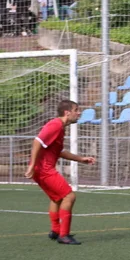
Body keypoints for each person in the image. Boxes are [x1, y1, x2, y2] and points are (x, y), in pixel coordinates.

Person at [24, 100, 96, 245]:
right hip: (44, 169)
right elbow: (37, 141)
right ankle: (64, 235)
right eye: (76, 110)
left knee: (57, 199)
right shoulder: (55, 125)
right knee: (69, 196)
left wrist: (80, 159)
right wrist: (32, 165)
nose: (79, 113)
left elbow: (59, 151)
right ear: (67, 112)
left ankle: (56, 231)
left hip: (42, 169)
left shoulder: (60, 127)